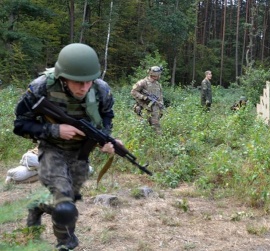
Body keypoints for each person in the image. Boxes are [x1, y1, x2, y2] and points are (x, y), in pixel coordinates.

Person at [13, 43, 119, 251]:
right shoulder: (40, 87)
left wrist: (106, 140)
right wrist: (55, 130)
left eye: (89, 81)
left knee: (69, 200)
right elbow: (20, 125)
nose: (84, 87)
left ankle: (38, 206)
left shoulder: (101, 90)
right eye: (78, 82)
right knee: (63, 194)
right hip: (51, 148)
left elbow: (107, 116)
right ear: (62, 76)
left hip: (80, 153)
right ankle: (66, 243)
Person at [131, 66, 164, 134]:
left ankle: (158, 141)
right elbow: (133, 92)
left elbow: (160, 97)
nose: (159, 76)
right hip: (144, 108)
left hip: (155, 109)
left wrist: (161, 107)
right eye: (158, 75)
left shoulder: (158, 84)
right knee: (143, 127)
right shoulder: (143, 82)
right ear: (154, 75)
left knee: (156, 126)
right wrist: (144, 97)